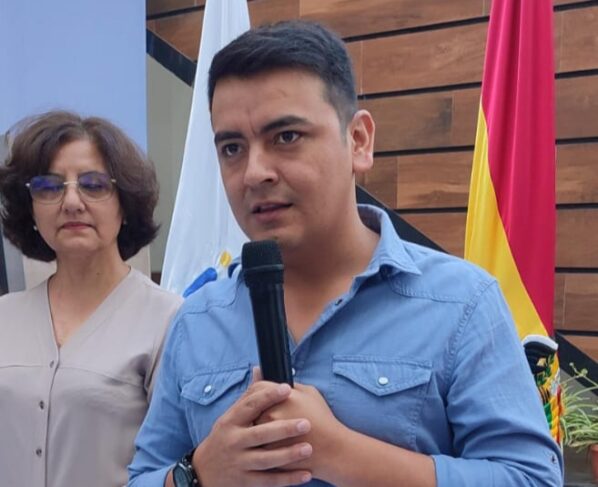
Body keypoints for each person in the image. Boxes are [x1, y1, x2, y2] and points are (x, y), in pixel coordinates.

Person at [128, 21, 563, 487]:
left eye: (286, 137)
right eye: (232, 147)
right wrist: (199, 473)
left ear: (358, 141)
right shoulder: (197, 320)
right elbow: (143, 477)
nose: (254, 173)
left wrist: (340, 452)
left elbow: (531, 479)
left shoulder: (461, 303)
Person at [0, 111, 183, 487]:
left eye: (94, 185)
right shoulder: (5, 317)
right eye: (49, 187)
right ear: (30, 208)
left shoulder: (168, 320)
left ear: (124, 203)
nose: (71, 202)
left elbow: (179, 462)